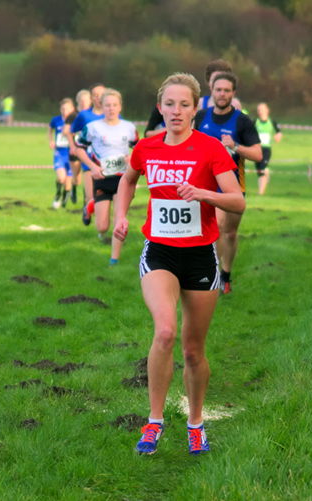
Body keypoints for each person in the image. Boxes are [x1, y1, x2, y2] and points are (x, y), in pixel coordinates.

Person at [113, 73, 245, 455]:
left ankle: (195, 423)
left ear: (195, 108)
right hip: (160, 251)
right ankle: (154, 422)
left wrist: (203, 193)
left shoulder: (210, 149)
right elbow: (128, 180)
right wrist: (122, 216)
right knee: (165, 331)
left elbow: (237, 201)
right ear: (160, 108)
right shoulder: (148, 148)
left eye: (184, 104)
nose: (176, 111)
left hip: (201, 255)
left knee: (192, 351)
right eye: (169, 104)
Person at [194, 72, 262, 294]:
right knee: (215, 228)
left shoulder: (242, 121)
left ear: (233, 93)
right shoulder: (201, 116)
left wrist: (235, 146)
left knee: (230, 233)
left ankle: (226, 274)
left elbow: (258, 155)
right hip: (205, 183)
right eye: (218, 90)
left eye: (226, 90)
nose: (222, 94)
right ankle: (212, 275)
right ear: (211, 91)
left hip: (233, 184)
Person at [73, 89, 138, 265]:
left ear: (120, 107)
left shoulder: (129, 127)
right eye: (107, 105)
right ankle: (90, 205)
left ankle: (114, 259)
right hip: (101, 177)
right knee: (102, 226)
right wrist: (92, 167)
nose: (111, 108)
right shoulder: (92, 128)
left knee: (119, 218)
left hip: (122, 178)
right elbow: (78, 148)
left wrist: (131, 158)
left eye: (114, 105)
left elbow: (138, 150)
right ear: (102, 106)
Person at [144, 59, 241, 138]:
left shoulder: (235, 105)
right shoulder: (199, 103)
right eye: (215, 79)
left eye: (184, 105)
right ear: (208, 82)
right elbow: (148, 133)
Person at [65, 82, 106, 222]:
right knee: (91, 197)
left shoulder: (112, 114)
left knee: (105, 198)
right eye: (95, 95)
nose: (99, 98)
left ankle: (103, 227)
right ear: (92, 98)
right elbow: (70, 132)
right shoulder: (84, 115)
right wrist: (73, 147)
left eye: (102, 95)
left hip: (108, 162)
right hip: (89, 160)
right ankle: (87, 207)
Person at [48, 98, 76, 209]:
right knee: (61, 178)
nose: (65, 111)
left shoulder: (76, 120)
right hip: (59, 153)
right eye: (63, 109)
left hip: (72, 154)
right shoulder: (56, 120)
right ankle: (57, 195)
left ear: (72, 109)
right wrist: (51, 141)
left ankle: (64, 201)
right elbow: (50, 129)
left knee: (68, 183)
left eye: (67, 109)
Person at [67, 89, 92, 204]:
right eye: (81, 101)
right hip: (75, 149)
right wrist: (72, 146)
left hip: (88, 150)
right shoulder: (73, 116)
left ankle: (86, 201)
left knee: (87, 174)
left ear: (90, 101)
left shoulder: (93, 114)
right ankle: (73, 187)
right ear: (78, 102)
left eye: (86, 101)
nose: (83, 103)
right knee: (77, 177)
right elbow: (67, 131)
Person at [253, 102, 283, 195]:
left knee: (262, 168)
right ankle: (266, 173)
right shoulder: (255, 122)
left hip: (266, 149)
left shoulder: (272, 122)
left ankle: (260, 193)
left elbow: (279, 132)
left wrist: (278, 136)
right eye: (259, 110)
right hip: (257, 149)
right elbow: (249, 133)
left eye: (262, 109)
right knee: (259, 170)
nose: (260, 111)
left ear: (267, 110)